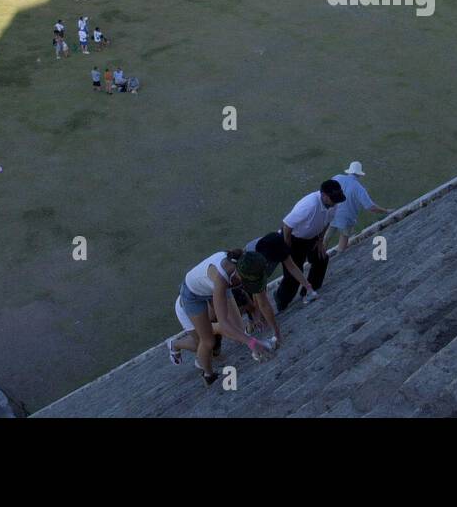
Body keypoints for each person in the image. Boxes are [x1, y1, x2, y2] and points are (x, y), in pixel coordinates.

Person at [166, 250, 276, 385]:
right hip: (193, 296)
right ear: (239, 274)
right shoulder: (221, 279)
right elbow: (223, 324)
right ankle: (208, 374)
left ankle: (205, 350)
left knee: (239, 330)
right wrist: (253, 343)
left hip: (211, 288)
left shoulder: (244, 261)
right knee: (208, 341)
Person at [274, 180, 347, 312]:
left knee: (322, 259)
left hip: (313, 237)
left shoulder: (333, 204)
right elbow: (287, 225)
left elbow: (327, 222)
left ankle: (309, 292)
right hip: (293, 239)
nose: (336, 202)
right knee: (293, 276)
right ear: (323, 195)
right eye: (333, 199)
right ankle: (281, 302)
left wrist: (320, 240)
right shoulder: (309, 205)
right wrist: (287, 246)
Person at [323, 162, 391, 252]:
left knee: (327, 237)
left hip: (333, 212)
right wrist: (386, 211)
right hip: (347, 218)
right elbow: (371, 207)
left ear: (349, 171)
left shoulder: (337, 178)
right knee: (343, 239)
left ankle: (320, 257)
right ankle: (340, 256)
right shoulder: (359, 188)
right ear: (359, 174)